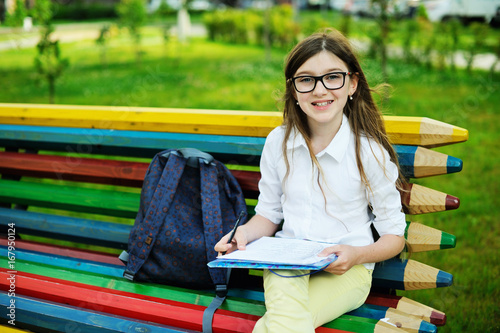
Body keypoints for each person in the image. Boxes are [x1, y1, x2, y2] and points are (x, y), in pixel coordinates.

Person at [214, 28, 407, 332]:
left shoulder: (368, 152)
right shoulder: (279, 142)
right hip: (284, 264)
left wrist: (357, 254)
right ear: (293, 90)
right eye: (306, 80)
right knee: (288, 323)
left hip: (347, 271)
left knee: (278, 326)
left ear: (352, 83)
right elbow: (268, 214)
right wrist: (244, 236)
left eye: (333, 77)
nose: (320, 90)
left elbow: (394, 237)